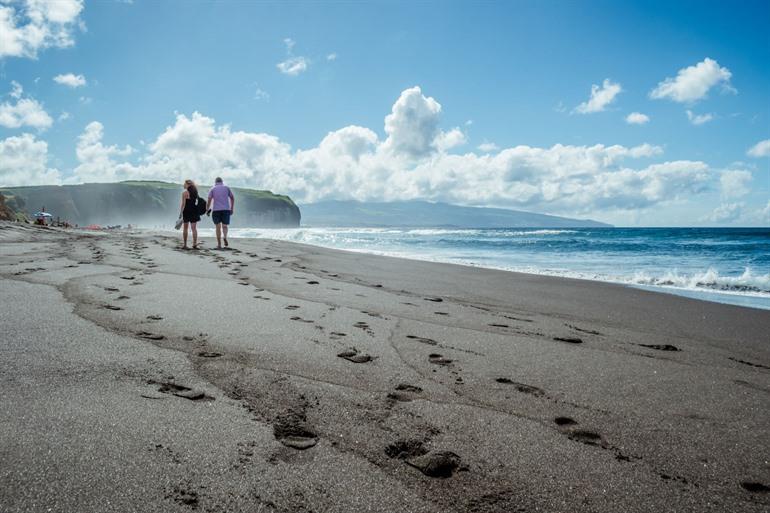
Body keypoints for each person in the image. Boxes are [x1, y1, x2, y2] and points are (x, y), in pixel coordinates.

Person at [206, 176, 234, 249]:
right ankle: (225, 237)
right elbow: (232, 198)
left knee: (218, 227)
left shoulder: (213, 189)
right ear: (222, 181)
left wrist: (207, 209)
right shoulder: (227, 188)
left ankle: (219, 244)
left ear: (215, 182)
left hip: (216, 210)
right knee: (225, 226)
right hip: (226, 210)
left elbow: (209, 199)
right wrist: (232, 208)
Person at [179, 179, 201, 250]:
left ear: (188, 184)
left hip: (187, 211)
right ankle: (194, 244)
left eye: (184, 184)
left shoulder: (185, 193)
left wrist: (181, 213)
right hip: (194, 211)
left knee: (185, 228)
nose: (183, 185)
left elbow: (183, 204)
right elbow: (197, 202)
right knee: (194, 229)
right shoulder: (195, 192)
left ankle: (185, 245)